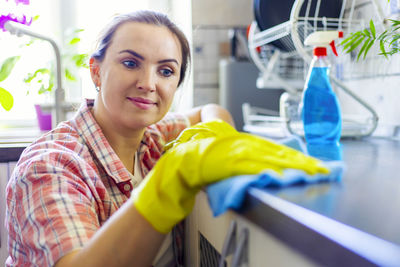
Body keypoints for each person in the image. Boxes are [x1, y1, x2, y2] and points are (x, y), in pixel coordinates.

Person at [5, 10, 235, 267]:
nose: (148, 83)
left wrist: (218, 136)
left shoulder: (153, 138)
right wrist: (164, 188)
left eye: (166, 71)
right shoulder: (50, 165)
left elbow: (212, 112)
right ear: (96, 71)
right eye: (130, 63)